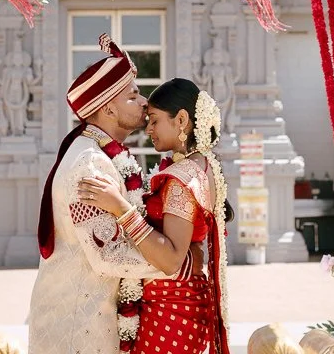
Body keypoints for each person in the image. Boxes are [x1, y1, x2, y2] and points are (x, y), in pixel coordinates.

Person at [28, 34, 166, 354]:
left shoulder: (100, 155)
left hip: (86, 318)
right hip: (77, 326)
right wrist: (174, 261)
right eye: (133, 96)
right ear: (108, 109)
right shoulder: (89, 165)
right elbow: (109, 256)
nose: (145, 102)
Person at [79, 78, 232, 354]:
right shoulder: (201, 164)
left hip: (171, 311)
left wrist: (120, 208)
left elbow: (170, 259)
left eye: (154, 120)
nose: (148, 128)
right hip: (183, 303)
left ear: (181, 119)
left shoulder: (182, 178)